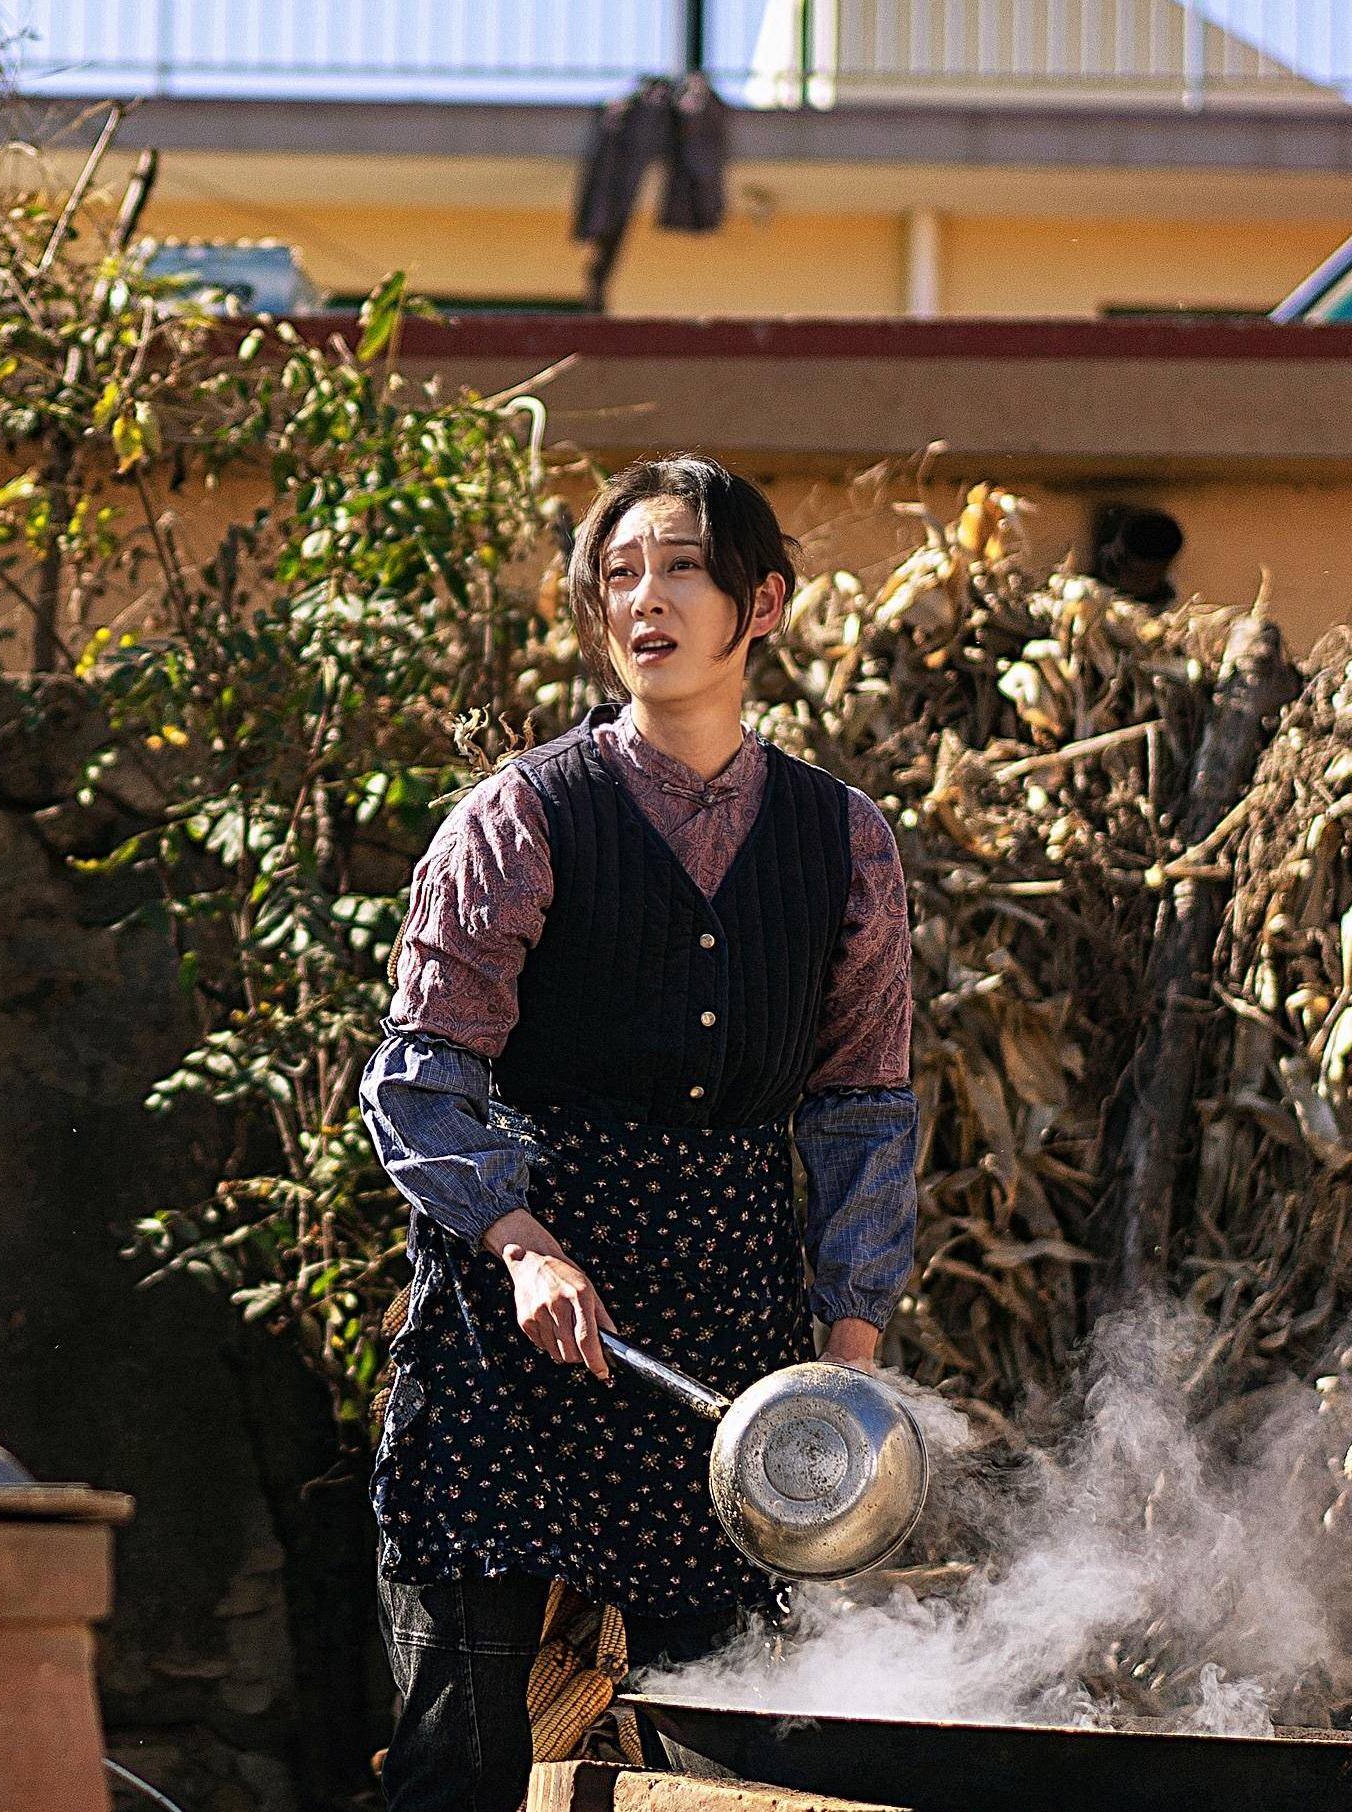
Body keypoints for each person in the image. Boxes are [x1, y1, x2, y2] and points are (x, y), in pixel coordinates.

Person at [362, 455, 920, 1812]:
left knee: (723, 1731)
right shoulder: (521, 816)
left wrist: (844, 1355)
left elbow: (862, 1103)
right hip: (530, 1301)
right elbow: (422, 1071)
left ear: (763, 603)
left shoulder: (844, 841)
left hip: (728, 1307)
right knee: (467, 1735)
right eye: (618, 575)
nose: (643, 602)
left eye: (679, 567)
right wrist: (514, 1239)